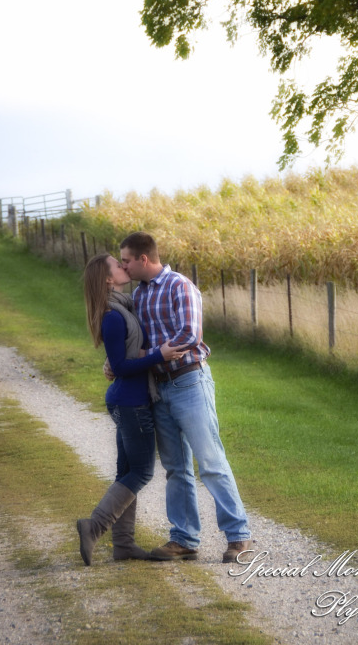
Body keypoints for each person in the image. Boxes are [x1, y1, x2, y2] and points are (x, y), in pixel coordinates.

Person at [117, 232, 253, 563]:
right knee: (176, 467)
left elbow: (190, 334)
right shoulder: (139, 294)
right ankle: (184, 539)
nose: (123, 267)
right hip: (158, 387)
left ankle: (238, 536)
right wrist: (123, 358)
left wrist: (147, 354)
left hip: (189, 382)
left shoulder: (179, 285)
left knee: (210, 461)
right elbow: (135, 339)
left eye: (126, 260)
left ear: (143, 259)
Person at [77, 252, 188, 566]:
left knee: (126, 472)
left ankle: (124, 545)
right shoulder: (113, 315)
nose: (124, 266)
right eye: (117, 264)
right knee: (141, 471)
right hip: (131, 402)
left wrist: (140, 355)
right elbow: (122, 366)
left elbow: (120, 357)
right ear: (108, 279)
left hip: (128, 399)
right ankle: (94, 527)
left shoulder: (125, 307)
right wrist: (159, 356)